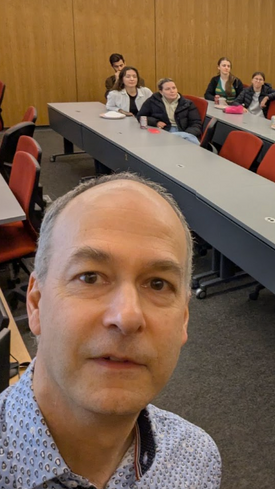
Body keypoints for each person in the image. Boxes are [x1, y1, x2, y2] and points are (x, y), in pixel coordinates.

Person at [0, 173, 221, 488]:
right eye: (90, 277)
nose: (128, 316)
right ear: (35, 304)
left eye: (158, 284)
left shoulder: (197, 460)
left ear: (184, 319)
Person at [139, 78, 203, 145]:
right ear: (161, 92)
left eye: (174, 88)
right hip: (164, 131)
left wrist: (186, 134)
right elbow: (141, 116)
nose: (172, 91)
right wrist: (156, 122)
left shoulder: (187, 104)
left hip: (183, 131)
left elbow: (196, 123)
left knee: (187, 139)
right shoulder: (152, 101)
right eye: (167, 89)